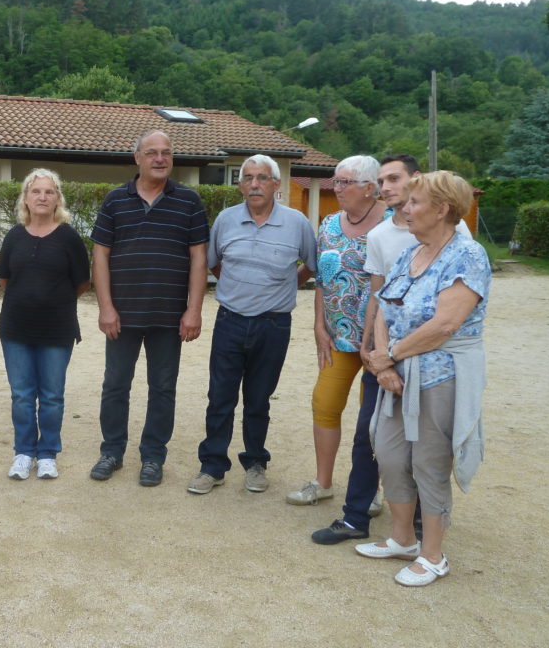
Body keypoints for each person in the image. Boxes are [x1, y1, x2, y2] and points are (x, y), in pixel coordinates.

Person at [312, 154, 470, 543]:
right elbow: (379, 299)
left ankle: (422, 531)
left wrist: (391, 355)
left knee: (427, 446)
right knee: (373, 435)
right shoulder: (388, 238)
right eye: (382, 180)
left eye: (393, 179)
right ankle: (357, 516)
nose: (386, 188)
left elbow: (448, 319)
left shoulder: (460, 239)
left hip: (433, 362)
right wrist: (374, 353)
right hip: (380, 354)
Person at [358, 171, 490, 587]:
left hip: (440, 376)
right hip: (395, 372)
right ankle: (401, 539)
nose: (404, 208)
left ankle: (432, 555)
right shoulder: (408, 254)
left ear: (443, 209)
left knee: (429, 462)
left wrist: (390, 357)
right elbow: (383, 306)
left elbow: (445, 324)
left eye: (414, 203)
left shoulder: (468, 255)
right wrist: (383, 364)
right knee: (391, 454)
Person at [187, 156, 316, 495]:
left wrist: (287, 286)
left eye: (262, 178)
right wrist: (237, 287)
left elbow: (310, 266)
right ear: (241, 185)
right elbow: (213, 265)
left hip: (274, 325)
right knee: (220, 397)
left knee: (259, 399)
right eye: (247, 178)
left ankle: (256, 463)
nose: (255, 184)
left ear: (277, 185)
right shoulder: (226, 220)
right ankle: (212, 466)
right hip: (230, 320)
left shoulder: (297, 223)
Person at [88, 129, 209, 487]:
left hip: (170, 317)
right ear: (137, 158)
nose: (160, 159)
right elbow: (100, 256)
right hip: (122, 315)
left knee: (163, 388)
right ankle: (111, 451)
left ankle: (153, 457)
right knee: (115, 385)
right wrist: (105, 308)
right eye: (152, 152)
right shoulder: (115, 200)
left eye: (167, 153)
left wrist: (194, 310)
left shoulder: (189, 201)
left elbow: (199, 258)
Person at [287, 155, 387, 506]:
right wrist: (318, 325)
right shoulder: (329, 224)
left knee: (371, 419)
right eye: (336, 180)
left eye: (345, 182)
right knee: (325, 404)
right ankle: (323, 481)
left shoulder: (393, 226)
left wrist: (378, 339)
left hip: (378, 342)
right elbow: (322, 279)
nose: (337, 188)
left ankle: (370, 490)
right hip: (338, 336)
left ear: (369, 188)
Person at [0, 169, 90, 480]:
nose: (42, 197)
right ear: (26, 197)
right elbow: (5, 280)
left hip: (57, 329)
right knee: (22, 395)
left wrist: (51, 303)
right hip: (16, 329)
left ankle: (48, 453)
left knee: (51, 395)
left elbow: (81, 283)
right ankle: (24, 452)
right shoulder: (14, 236)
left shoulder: (69, 237)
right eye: (36, 191)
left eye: (48, 192)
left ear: (57, 199)